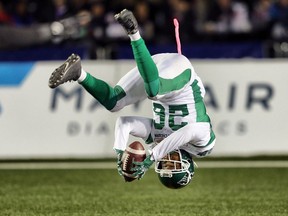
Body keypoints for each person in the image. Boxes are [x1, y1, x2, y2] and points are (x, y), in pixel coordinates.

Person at [48, 9, 216, 189]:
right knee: (154, 91)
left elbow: (124, 123)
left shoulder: (158, 139)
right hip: (181, 74)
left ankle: (79, 73)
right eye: (173, 163)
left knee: (114, 102)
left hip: (155, 69)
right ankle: (134, 31)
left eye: (164, 165)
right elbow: (189, 131)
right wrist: (152, 156)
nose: (167, 159)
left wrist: (119, 152)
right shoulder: (203, 146)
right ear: (188, 164)